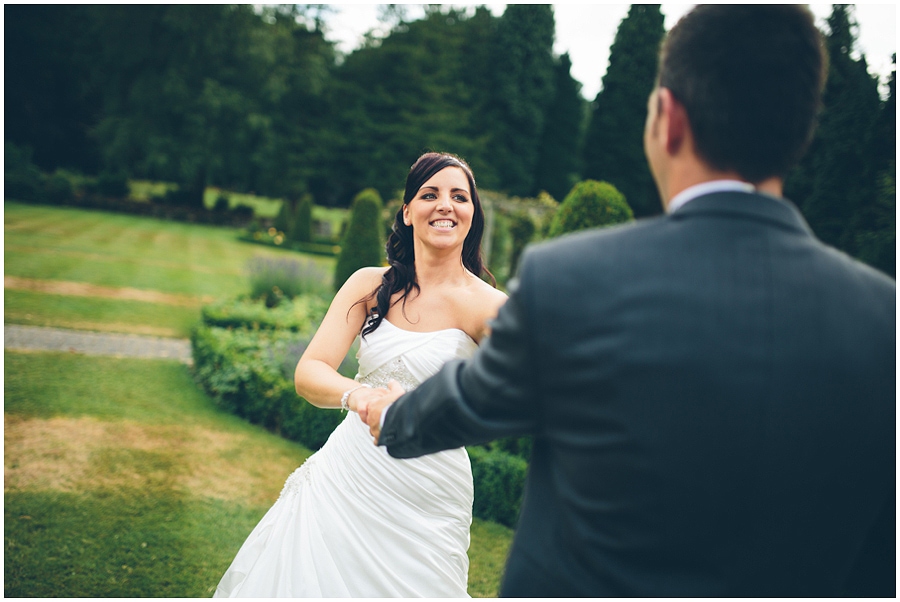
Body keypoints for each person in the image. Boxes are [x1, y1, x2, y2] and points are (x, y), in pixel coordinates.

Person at [361, 5, 895, 597]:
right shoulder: (882, 321)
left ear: (667, 120)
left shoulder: (573, 277)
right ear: (800, 132)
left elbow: (477, 397)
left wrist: (392, 416)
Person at [213, 152, 507, 597]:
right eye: (430, 194)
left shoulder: (491, 307)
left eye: (459, 197)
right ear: (408, 212)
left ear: (472, 216)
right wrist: (361, 397)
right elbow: (310, 371)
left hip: (430, 488)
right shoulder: (369, 285)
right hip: (348, 475)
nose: (445, 205)